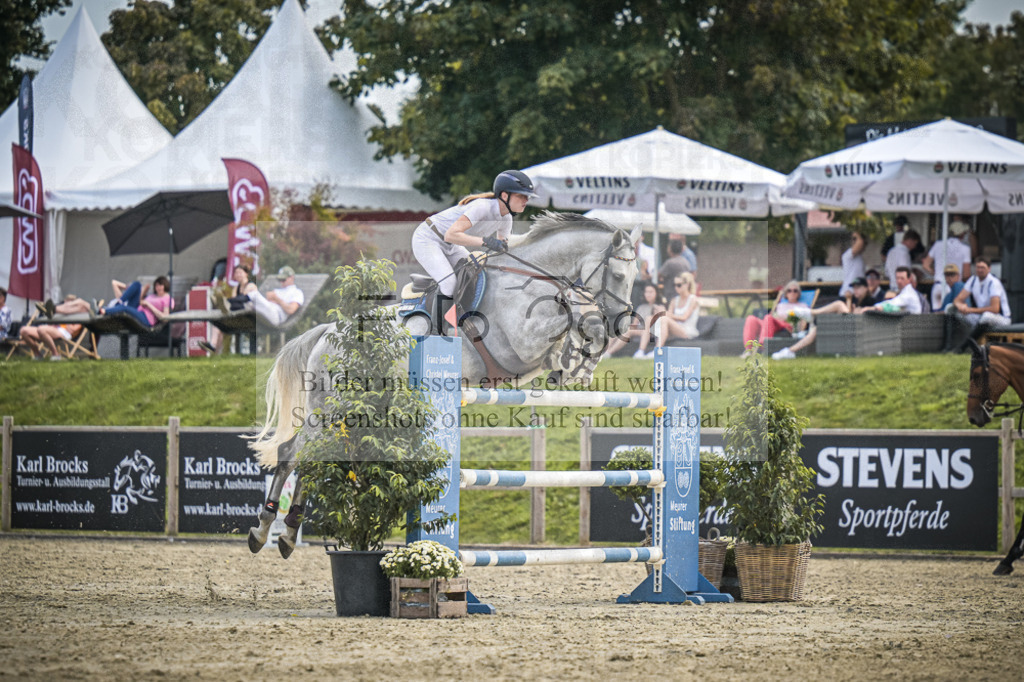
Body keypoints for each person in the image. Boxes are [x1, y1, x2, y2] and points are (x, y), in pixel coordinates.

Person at [411, 169, 536, 318]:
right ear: (504, 195)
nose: (526, 200)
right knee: (449, 283)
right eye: (520, 195)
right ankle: (436, 332)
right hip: (428, 238)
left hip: (451, 245)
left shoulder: (506, 219)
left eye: (527, 196)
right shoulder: (482, 207)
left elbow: (502, 250)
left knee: (478, 275)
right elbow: (451, 234)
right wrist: (485, 241)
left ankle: (461, 322)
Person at [771, 277, 876, 360]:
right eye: (854, 288)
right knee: (818, 328)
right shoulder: (855, 300)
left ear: (866, 288)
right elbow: (849, 315)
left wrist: (854, 307)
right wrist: (849, 301)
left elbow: (861, 317)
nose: (855, 290)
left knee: (839, 304)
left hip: (857, 331)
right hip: (847, 328)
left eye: (858, 287)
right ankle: (790, 351)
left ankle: (812, 313)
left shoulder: (870, 301)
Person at [943, 256, 1012, 351]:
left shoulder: (993, 283)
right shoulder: (973, 280)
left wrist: (970, 310)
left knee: (987, 316)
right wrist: (960, 306)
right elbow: (958, 299)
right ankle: (947, 346)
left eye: (982, 267)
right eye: (978, 267)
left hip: (1001, 319)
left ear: (989, 269)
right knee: (950, 308)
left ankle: (963, 347)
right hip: (980, 317)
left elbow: (994, 309)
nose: (980, 270)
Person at [742, 281, 810, 355]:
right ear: (786, 293)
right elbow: (775, 316)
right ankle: (748, 350)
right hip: (773, 323)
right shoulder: (781, 305)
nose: (792, 292)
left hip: (787, 326)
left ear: (799, 293)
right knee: (751, 319)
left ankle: (762, 347)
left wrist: (792, 321)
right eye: (789, 290)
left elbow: (804, 321)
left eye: (795, 290)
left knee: (768, 317)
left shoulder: (802, 306)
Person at [603, 281, 665, 359]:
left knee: (629, 330)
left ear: (656, 293)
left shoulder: (659, 307)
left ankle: (610, 352)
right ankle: (606, 350)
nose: (648, 294)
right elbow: (634, 324)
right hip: (639, 330)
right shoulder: (641, 307)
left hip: (651, 331)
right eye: (646, 292)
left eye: (651, 292)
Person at [922, 217, 972, 311]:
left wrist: (936, 273)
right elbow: (966, 274)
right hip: (955, 287)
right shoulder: (965, 249)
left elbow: (925, 265)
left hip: (938, 285)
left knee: (937, 316)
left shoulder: (938, 244)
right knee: (954, 316)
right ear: (961, 234)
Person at [100, 277, 172, 327]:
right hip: (138, 309)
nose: (158, 287)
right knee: (137, 284)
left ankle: (104, 310)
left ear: (165, 285)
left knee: (124, 308)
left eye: (160, 285)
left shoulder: (167, 298)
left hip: (147, 318)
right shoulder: (153, 296)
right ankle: (119, 302)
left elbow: (165, 318)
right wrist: (143, 291)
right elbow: (141, 302)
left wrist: (149, 305)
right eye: (156, 286)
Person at [656, 272, 700, 348]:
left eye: (679, 285)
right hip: (676, 328)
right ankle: (641, 351)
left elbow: (684, 318)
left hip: (687, 331)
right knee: (651, 319)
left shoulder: (693, 300)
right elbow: (668, 316)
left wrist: (665, 313)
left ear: (687, 284)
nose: (676, 287)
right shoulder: (674, 300)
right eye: (674, 285)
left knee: (664, 319)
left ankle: (657, 350)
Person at [18, 322, 83, 360]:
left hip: (63, 332)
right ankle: (37, 355)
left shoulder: (78, 317)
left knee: (42, 329)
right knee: (23, 330)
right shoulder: (60, 313)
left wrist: (67, 318)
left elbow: (72, 330)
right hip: (51, 328)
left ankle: (55, 354)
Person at [838, 231, 867, 296]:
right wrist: (857, 231)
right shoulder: (848, 255)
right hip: (848, 293)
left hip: (858, 294)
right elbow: (860, 243)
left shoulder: (860, 258)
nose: (864, 246)